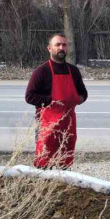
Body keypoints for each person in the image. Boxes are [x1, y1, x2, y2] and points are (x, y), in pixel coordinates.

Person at [25, 34, 88, 168]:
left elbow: (83, 94)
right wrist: (52, 100)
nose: (61, 48)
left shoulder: (74, 71)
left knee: (64, 161)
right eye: (57, 45)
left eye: (64, 45)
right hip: (46, 124)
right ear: (49, 48)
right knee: (44, 161)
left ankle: (62, 186)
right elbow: (30, 96)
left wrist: (75, 99)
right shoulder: (41, 71)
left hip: (68, 123)